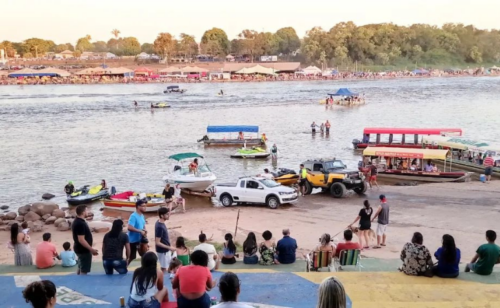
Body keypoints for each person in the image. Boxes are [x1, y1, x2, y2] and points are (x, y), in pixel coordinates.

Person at [72, 205, 98, 274]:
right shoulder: (80, 223)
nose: (88, 212)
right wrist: (91, 249)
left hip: (79, 248)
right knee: (84, 271)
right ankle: (81, 283)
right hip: (83, 250)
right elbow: (81, 240)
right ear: (83, 212)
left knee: (81, 266)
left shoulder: (78, 221)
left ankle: (77, 279)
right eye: (87, 211)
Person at [127, 200, 147, 265]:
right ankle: (125, 269)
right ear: (138, 207)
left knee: (144, 256)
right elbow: (129, 227)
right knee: (132, 257)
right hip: (132, 241)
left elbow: (143, 226)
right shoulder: (133, 216)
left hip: (140, 240)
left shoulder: (142, 216)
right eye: (143, 206)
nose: (145, 207)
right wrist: (140, 231)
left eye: (145, 206)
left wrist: (144, 231)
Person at [155, 207, 175, 273]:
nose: (168, 215)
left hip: (165, 250)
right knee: (164, 269)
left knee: (167, 267)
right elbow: (157, 242)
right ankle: (161, 282)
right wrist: (169, 247)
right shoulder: (160, 227)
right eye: (166, 214)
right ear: (161, 215)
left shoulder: (159, 222)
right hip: (163, 251)